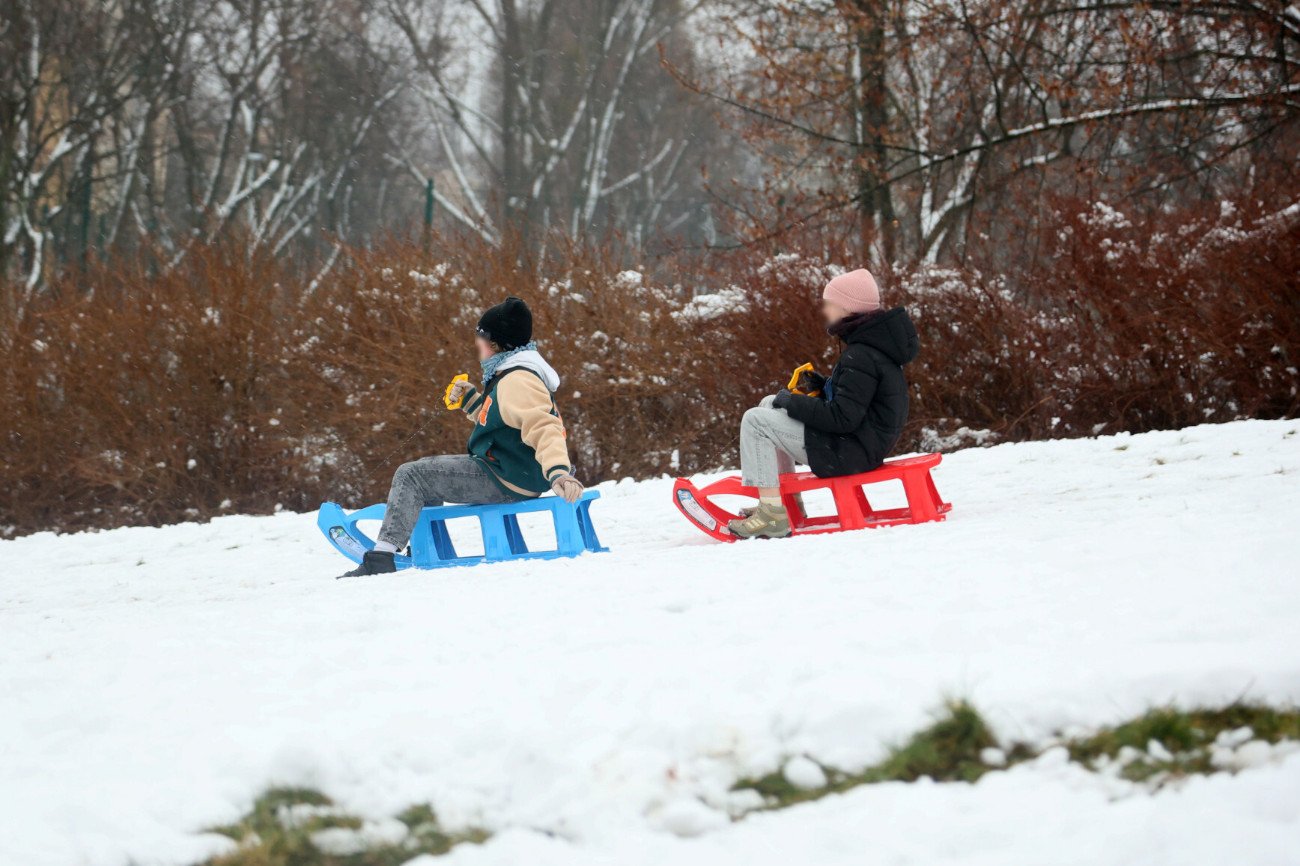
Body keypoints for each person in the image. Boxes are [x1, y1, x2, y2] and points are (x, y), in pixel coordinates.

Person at [341, 297, 585, 577]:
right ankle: (420, 546)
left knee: (412, 475)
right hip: (514, 473)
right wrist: (471, 400)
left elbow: (543, 426)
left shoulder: (517, 380)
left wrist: (559, 473)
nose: (476, 345)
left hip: (505, 477)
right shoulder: (513, 374)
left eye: (480, 338)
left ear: (494, 343)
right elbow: (504, 419)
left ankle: (382, 557)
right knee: (425, 476)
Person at [728, 268, 919, 540]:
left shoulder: (861, 355)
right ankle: (784, 503)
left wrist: (794, 402)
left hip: (850, 452)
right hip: (861, 445)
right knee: (770, 404)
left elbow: (842, 418)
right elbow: (858, 401)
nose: (825, 311)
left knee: (755, 420)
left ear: (846, 307)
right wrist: (825, 386)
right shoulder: (873, 347)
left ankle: (772, 516)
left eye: (829, 304)